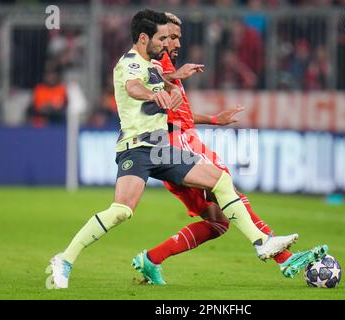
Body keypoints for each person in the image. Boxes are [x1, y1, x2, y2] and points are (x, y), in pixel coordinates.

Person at [46, 9, 299, 290]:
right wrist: (155, 93)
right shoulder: (129, 63)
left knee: (220, 179)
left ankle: (261, 243)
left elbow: (166, 92)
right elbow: (133, 88)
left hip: (162, 151)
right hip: (137, 149)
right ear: (144, 38)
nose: (166, 44)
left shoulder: (153, 66)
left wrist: (176, 83)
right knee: (121, 211)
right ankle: (64, 259)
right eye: (161, 38)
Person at [131, 12, 328, 285]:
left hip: (171, 147)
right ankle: (277, 253)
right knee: (226, 186)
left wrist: (214, 119)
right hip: (178, 142)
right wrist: (175, 74)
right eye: (169, 37)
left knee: (218, 222)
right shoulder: (153, 61)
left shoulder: (162, 66)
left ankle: (151, 259)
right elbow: (147, 80)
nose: (175, 44)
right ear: (155, 38)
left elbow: (178, 111)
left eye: (178, 38)